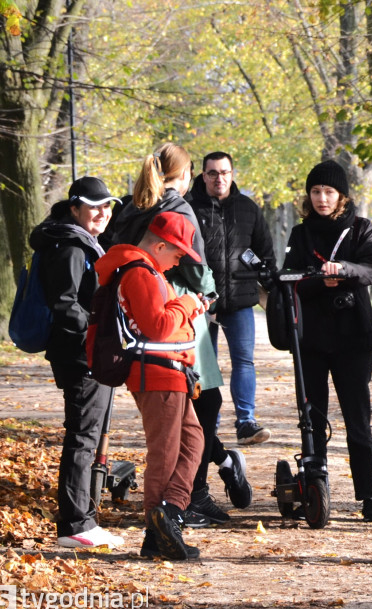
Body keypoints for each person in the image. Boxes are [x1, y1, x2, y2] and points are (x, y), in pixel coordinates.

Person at [110, 143, 253, 527]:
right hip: (178, 315)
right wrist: (205, 297)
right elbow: (196, 269)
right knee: (202, 404)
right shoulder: (179, 206)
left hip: (136, 318)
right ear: (186, 173)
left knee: (184, 412)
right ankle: (189, 497)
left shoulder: (131, 206)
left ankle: (197, 485)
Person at [94, 212, 208, 560]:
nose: (177, 263)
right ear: (159, 245)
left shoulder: (150, 271)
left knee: (193, 441)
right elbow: (158, 326)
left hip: (170, 373)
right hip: (156, 374)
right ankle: (157, 531)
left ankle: (169, 512)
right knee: (165, 452)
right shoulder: (140, 272)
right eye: (176, 254)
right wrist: (189, 303)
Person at [281, 160, 372, 523]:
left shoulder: (360, 229)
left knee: (358, 420)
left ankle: (368, 496)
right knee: (313, 417)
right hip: (310, 338)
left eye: (328, 192)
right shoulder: (300, 233)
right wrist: (315, 280)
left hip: (353, 338)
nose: (322, 198)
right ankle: (316, 485)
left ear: (341, 195)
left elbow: (371, 269)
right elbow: (289, 278)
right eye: (315, 192)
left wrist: (343, 271)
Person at [31, 176, 124, 550]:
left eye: (107, 206)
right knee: (82, 436)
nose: (102, 212)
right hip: (80, 353)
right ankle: (74, 524)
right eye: (93, 206)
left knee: (87, 434)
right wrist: (94, 337)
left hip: (85, 351)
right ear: (75, 209)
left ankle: (83, 519)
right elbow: (66, 304)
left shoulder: (82, 241)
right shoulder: (70, 246)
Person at [186, 151, 276, 446]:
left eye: (224, 172)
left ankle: (246, 422)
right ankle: (205, 424)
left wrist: (269, 281)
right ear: (203, 175)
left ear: (232, 174)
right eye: (212, 173)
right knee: (202, 364)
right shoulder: (189, 207)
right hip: (201, 303)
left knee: (244, 361)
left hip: (240, 299)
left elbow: (265, 252)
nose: (219, 178)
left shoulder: (247, 208)